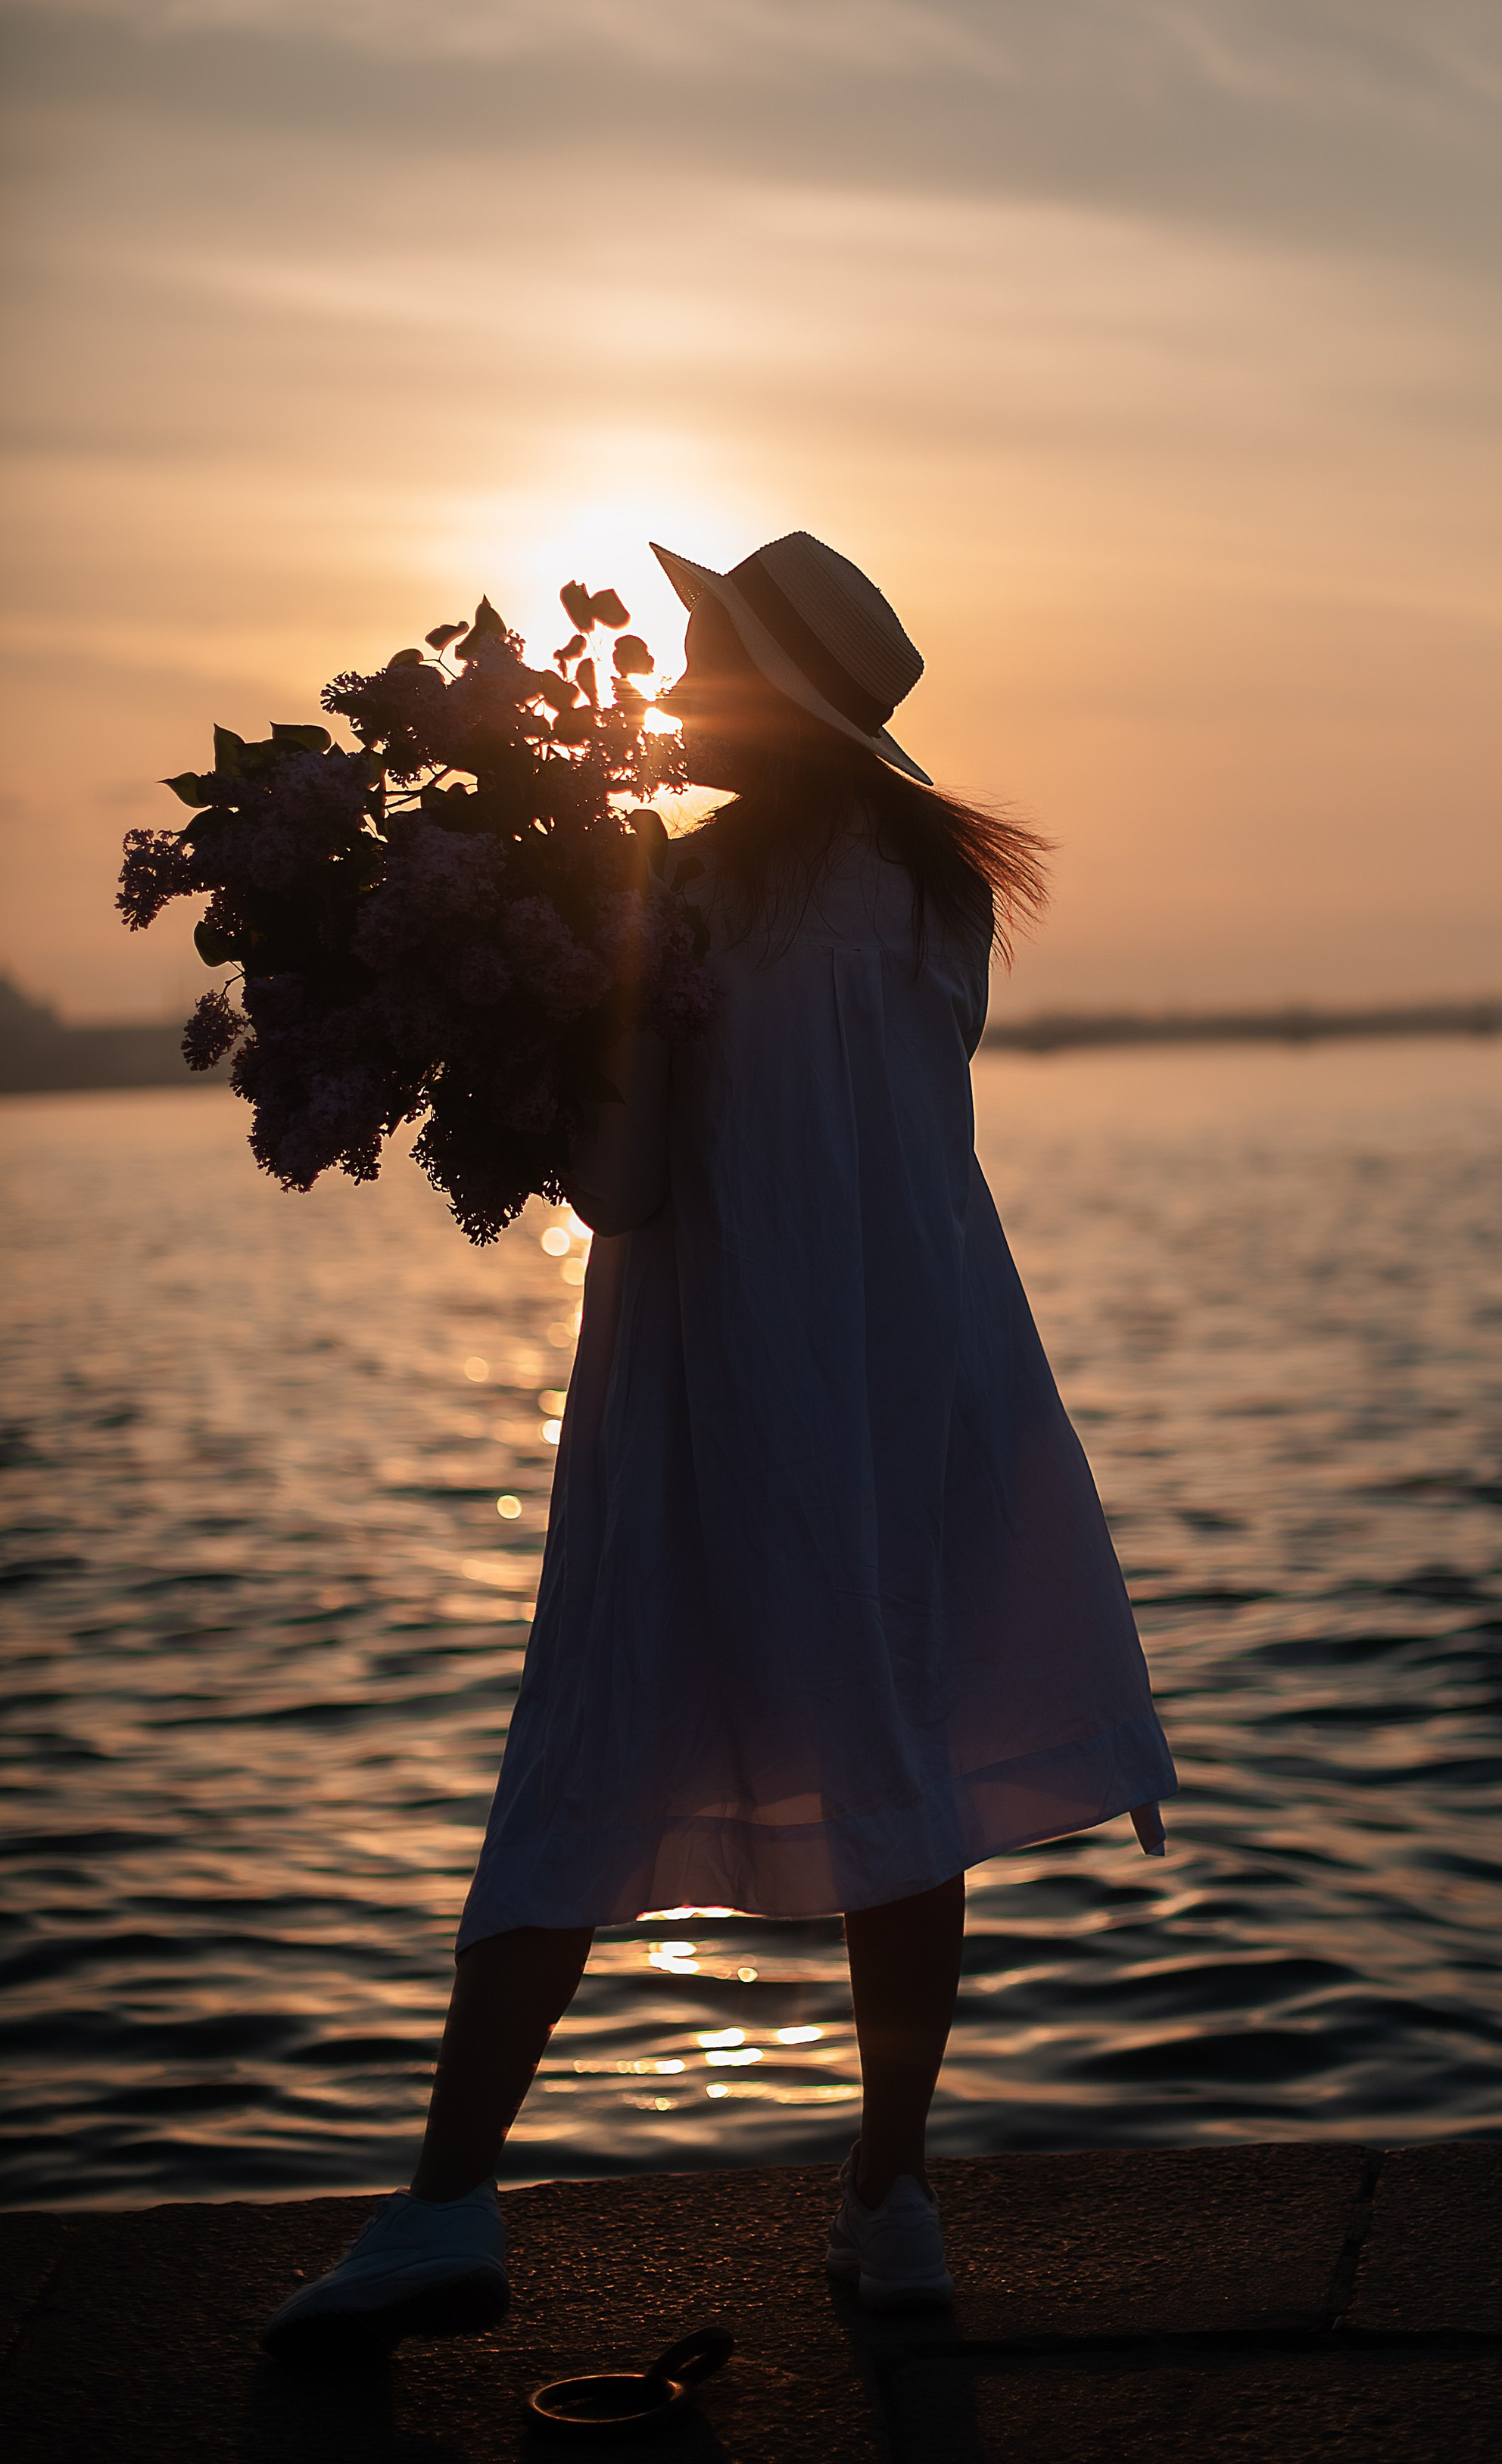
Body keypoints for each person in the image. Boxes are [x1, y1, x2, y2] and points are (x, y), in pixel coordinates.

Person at [263, 531, 1175, 2357]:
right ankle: (890, 2199)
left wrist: (556, 983)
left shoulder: (672, 903)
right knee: (894, 1744)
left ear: (764, 694)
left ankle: (447, 2201)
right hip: (922, 1355)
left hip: (721, 1368)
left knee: (593, 1733)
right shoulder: (940, 895)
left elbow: (620, 1182)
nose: (671, 681)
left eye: (699, 652)